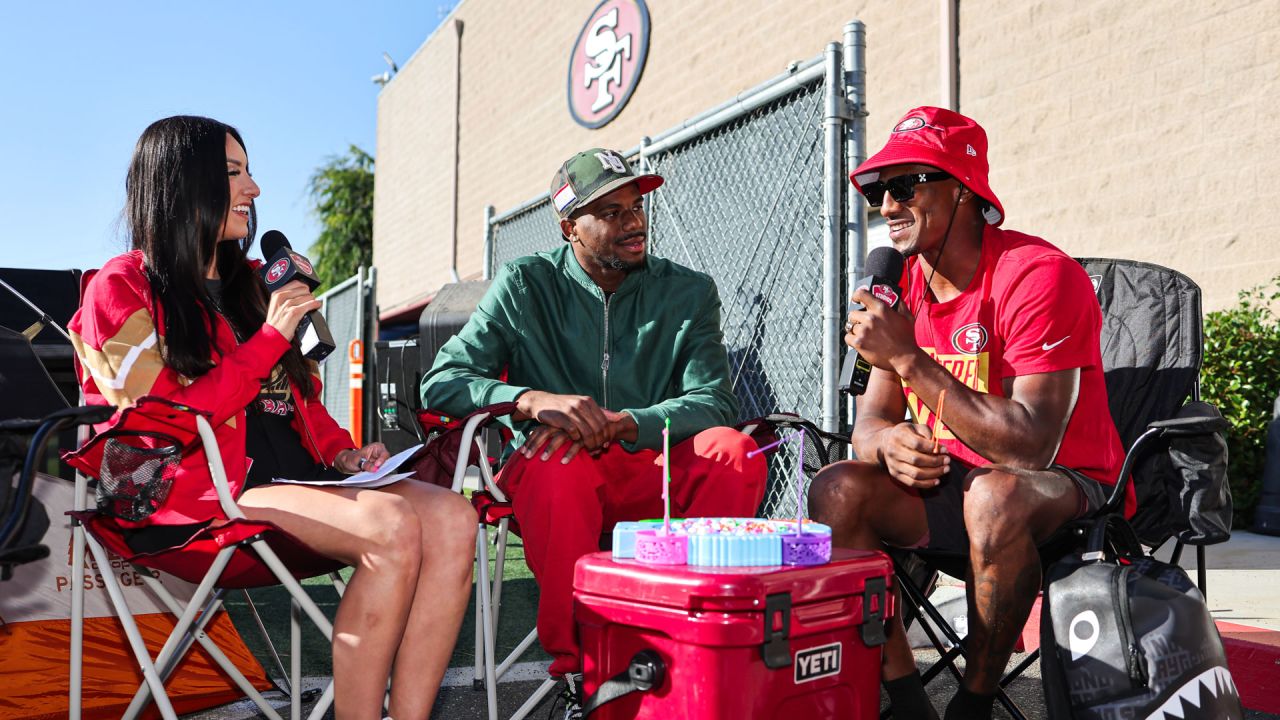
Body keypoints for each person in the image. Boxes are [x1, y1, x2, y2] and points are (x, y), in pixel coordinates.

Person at [69, 116, 475, 720]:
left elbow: (302, 400)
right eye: (234, 173)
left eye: (250, 171)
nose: (254, 189)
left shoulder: (256, 284)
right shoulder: (120, 287)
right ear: (183, 185)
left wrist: (342, 454)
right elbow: (161, 424)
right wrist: (267, 338)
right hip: (196, 500)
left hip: (301, 484)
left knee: (454, 518)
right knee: (391, 526)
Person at [808, 107, 1127, 720]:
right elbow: (868, 427)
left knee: (995, 494)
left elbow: (1030, 445)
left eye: (905, 186)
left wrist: (906, 356)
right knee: (838, 488)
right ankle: (906, 700)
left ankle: (973, 704)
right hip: (953, 485)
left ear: (961, 188)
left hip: (1061, 486)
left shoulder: (1037, 276)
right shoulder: (902, 291)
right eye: (878, 191)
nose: (888, 205)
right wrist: (888, 445)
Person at [422, 148, 767, 713]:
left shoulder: (689, 290)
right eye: (609, 211)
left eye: (636, 205)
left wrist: (629, 422)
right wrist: (529, 400)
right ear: (570, 229)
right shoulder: (525, 283)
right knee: (560, 464)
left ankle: (700, 638)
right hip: (558, 472)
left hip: (651, 463)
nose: (633, 221)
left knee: (734, 452)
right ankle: (581, 674)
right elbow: (441, 382)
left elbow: (716, 400)